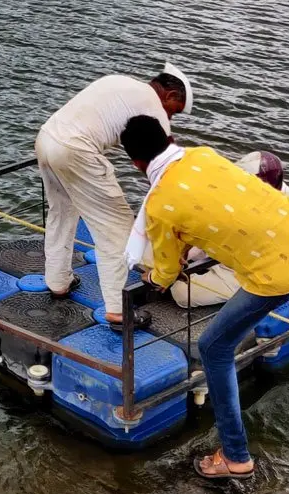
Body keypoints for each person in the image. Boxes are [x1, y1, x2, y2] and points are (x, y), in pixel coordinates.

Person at [121, 115, 289, 482]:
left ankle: (236, 456)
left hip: (281, 271)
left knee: (214, 348)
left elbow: (165, 274)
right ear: (171, 138)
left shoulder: (160, 205)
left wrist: (150, 275)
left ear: (136, 163)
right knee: (223, 336)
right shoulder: (202, 155)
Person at [36, 65, 191, 327]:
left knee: (61, 212)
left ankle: (58, 282)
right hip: (77, 150)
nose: (170, 118)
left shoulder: (120, 82)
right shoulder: (154, 108)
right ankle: (118, 312)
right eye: (173, 110)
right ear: (171, 94)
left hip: (47, 139)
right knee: (116, 229)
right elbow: (166, 166)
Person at [126, 149, 289, 310]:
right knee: (150, 256)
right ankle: (171, 277)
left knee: (182, 295)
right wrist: (182, 252)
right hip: (222, 251)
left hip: (251, 270)